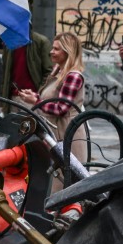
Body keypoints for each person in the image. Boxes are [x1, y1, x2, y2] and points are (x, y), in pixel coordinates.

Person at [17, 32, 89, 175]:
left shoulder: (73, 76)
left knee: (66, 180)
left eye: (56, 49)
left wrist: (36, 101)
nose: (51, 52)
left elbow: (61, 108)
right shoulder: (59, 72)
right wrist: (35, 96)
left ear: (68, 52)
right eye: (52, 48)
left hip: (67, 134)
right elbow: (52, 98)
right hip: (55, 134)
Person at [1, 25, 53, 102]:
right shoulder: (9, 42)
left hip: (32, 97)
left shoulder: (40, 41)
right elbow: (4, 70)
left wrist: (39, 94)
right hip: (12, 97)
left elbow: (49, 72)